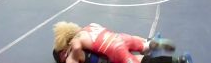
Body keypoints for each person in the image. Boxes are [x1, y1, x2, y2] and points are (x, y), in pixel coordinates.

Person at [53, 22, 182, 63]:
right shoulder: (88, 27)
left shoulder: (75, 50)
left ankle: (178, 61)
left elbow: (74, 52)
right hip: (119, 38)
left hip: (114, 52)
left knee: (141, 61)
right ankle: (149, 43)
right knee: (140, 52)